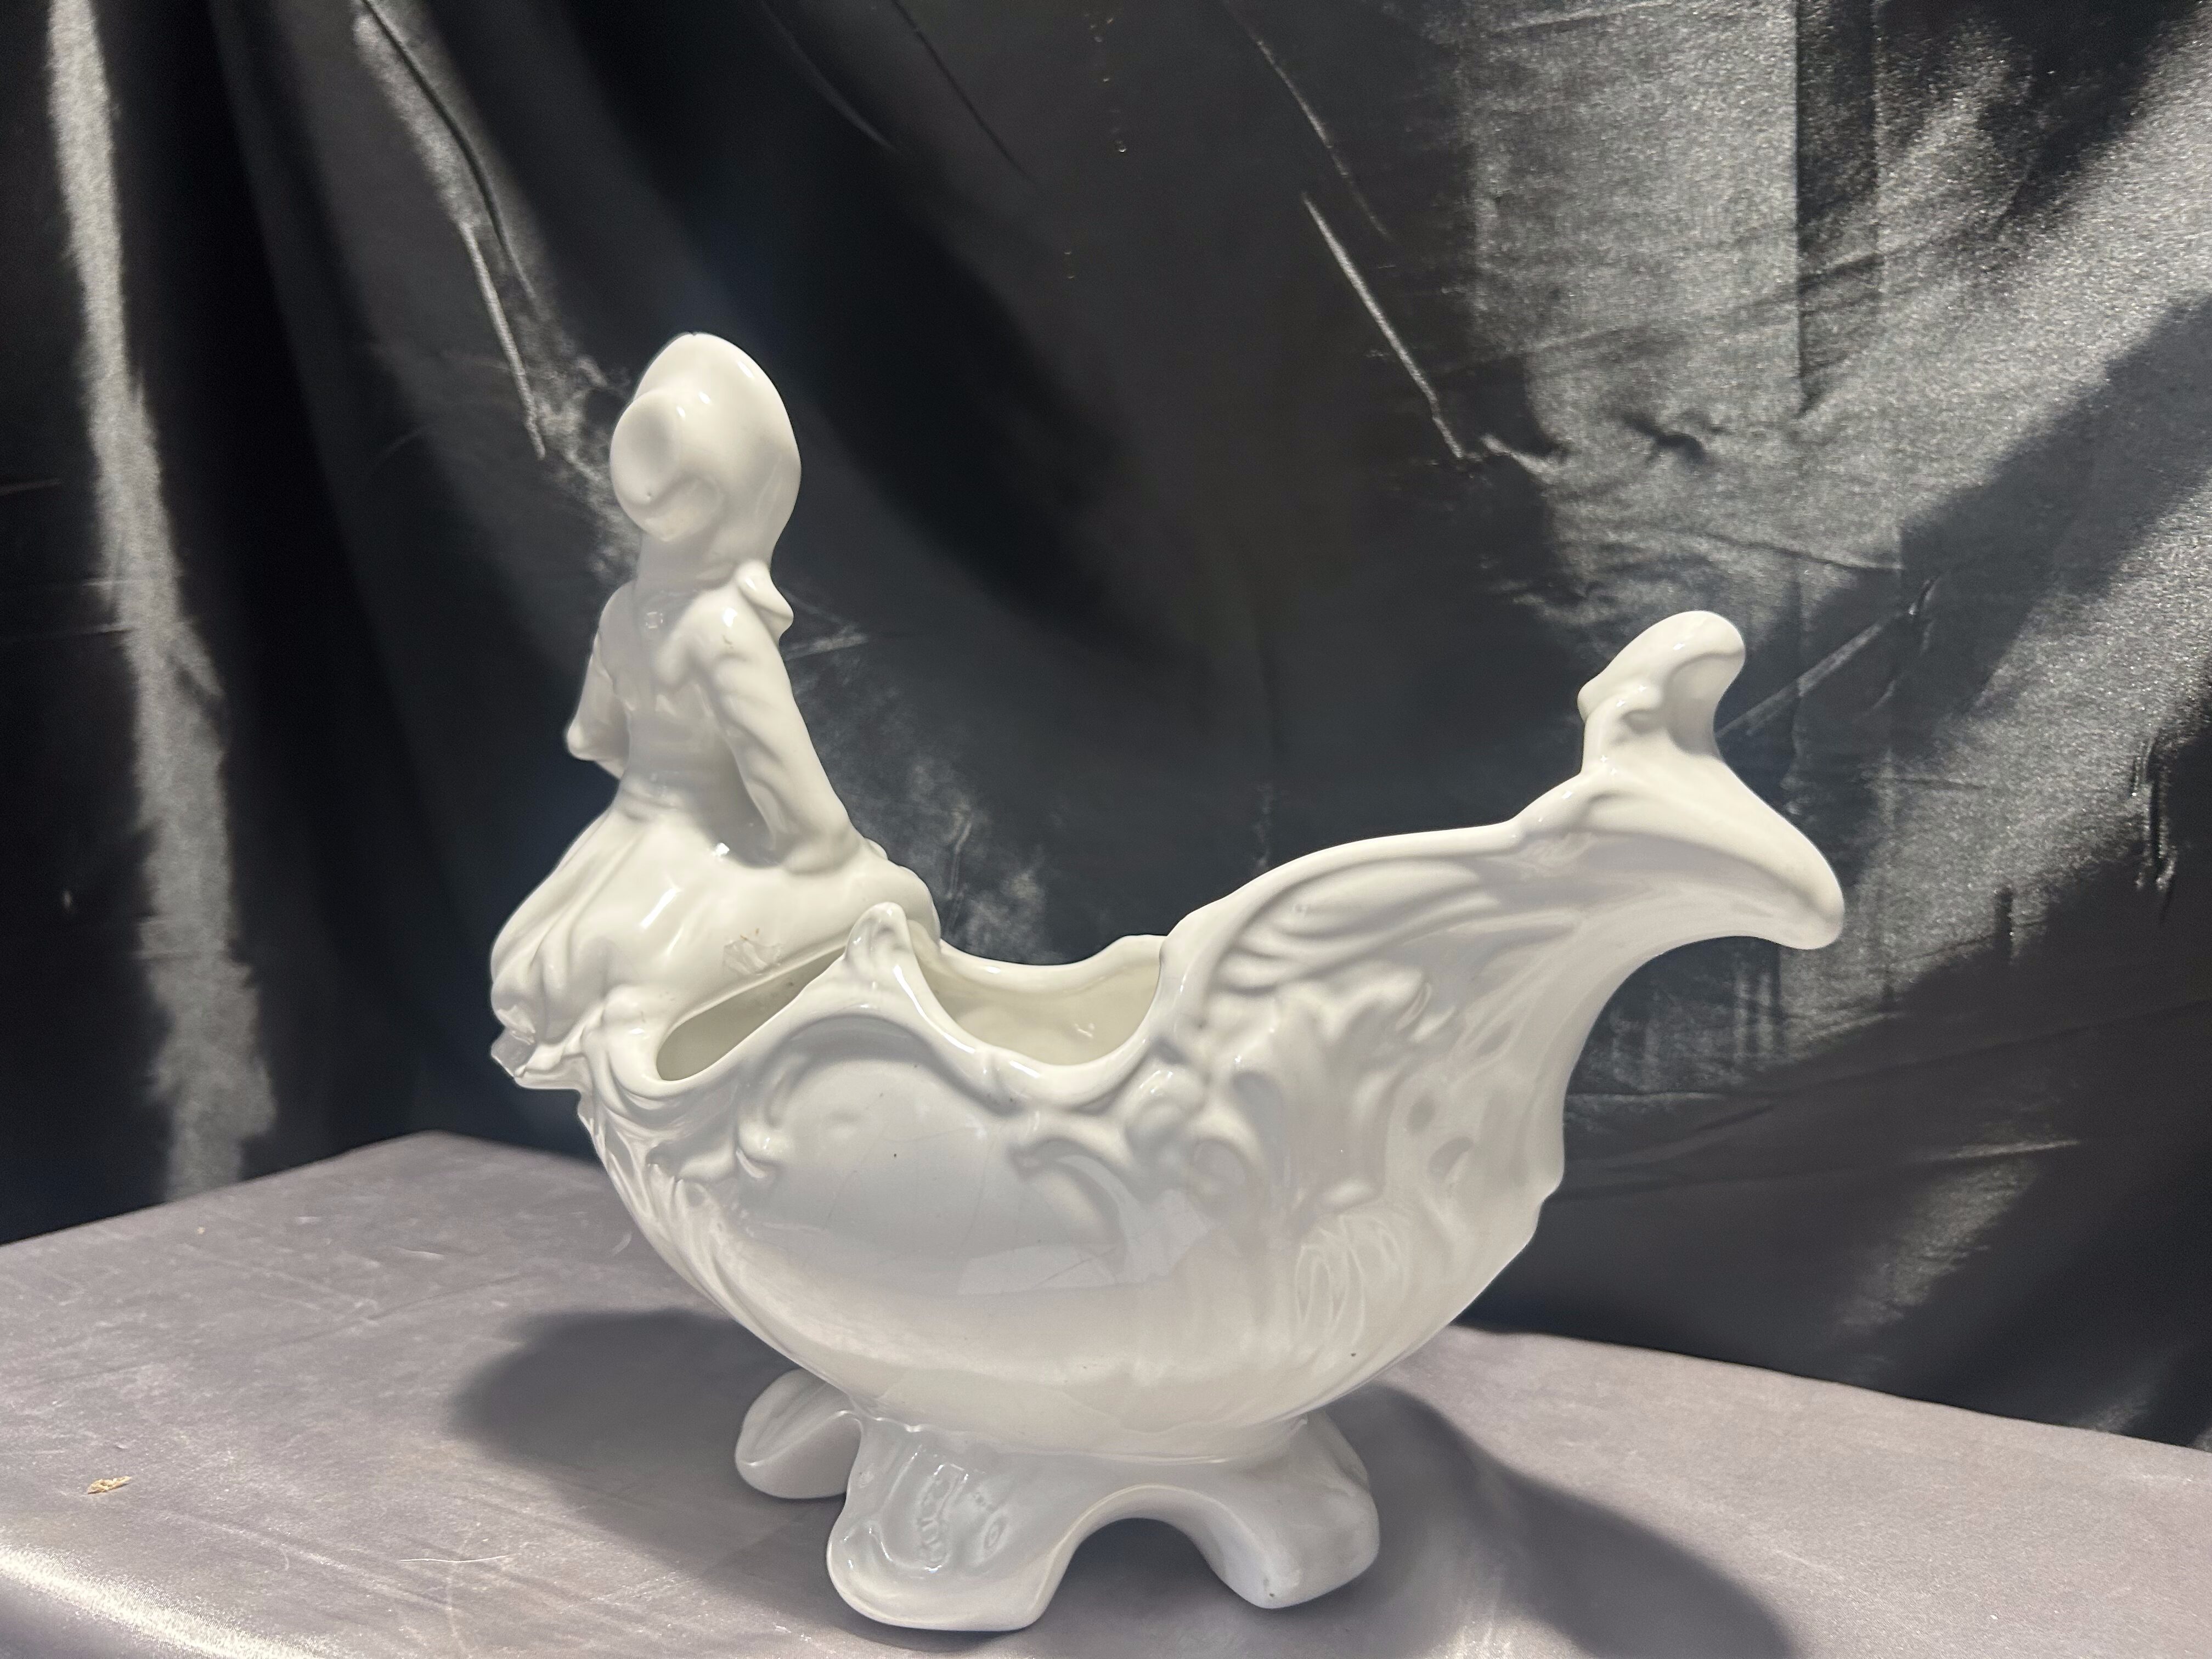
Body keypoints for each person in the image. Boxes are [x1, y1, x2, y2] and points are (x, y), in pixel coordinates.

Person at [490, 335, 936, 1091]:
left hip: (621, 847)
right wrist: (815, 851)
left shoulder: (623, 614)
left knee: (550, 961)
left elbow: (595, 739)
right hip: (695, 853)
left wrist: (658, 793)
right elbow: (805, 817)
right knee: (900, 901)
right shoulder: (723, 629)